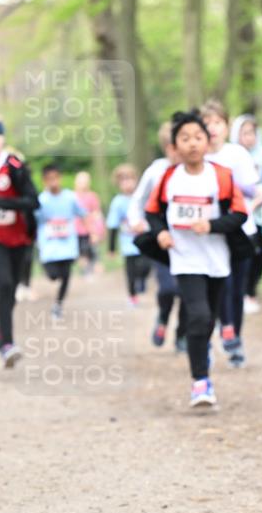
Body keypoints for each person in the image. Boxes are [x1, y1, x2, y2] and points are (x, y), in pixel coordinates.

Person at [143, 110, 249, 408]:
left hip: (217, 259)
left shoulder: (222, 176)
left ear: (207, 141)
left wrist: (212, 226)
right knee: (199, 316)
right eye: (184, 138)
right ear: (174, 146)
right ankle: (200, 383)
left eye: (197, 137)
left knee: (208, 318)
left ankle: (202, 361)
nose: (192, 144)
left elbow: (240, 214)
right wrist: (161, 232)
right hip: (184, 258)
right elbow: (152, 212)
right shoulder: (168, 177)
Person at [201, 100, 260, 368]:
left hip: (241, 230)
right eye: (208, 123)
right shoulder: (196, 156)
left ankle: (234, 337)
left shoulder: (237, 154)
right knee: (215, 288)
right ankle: (212, 338)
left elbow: (254, 190)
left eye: (217, 122)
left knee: (236, 288)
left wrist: (229, 184)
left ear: (226, 126)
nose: (212, 128)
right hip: (210, 234)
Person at [127, 123, 188, 350]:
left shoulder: (195, 170)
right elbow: (137, 199)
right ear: (166, 148)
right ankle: (163, 318)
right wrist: (136, 221)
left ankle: (182, 334)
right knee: (168, 289)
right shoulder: (155, 171)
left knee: (187, 291)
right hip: (161, 239)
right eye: (173, 147)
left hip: (189, 241)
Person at [0, 116, 39, 365]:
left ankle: (0, 332)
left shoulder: (14, 166)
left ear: (3, 138)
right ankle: (7, 343)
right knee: (4, 284)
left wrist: (5, 203)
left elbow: (33, 201)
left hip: (19, 238)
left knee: (12, 290)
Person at [230, 113, 262, 315]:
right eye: (244, 133)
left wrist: (258, 200)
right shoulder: (230, 156)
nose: (249, 137)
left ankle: (251, 292)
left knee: (259, 257)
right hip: (239, 215)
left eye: (252, 133)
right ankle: (239, 292)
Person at [36, 163, 87, 318]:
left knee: (65, 276)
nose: (53, 182)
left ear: (60, 178)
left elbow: (82, 214)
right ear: (44, 181)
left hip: (67, 246)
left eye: (55, 178)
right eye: (49, 179)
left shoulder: (70, 197)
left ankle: (58, 304)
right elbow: (34, 220)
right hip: (49, 247)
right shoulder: (41, 200)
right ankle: (47, 269)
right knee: (53, 275)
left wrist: (91, 232)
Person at [107, 164, 151, 306]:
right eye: (123, 181)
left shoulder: (142, 198)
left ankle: (142, 280)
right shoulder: (118, 202)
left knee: (146, 266)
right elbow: (113, 225)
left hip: (144, 240)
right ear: (119, 184)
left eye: (130, 179)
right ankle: (132, 296)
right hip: (128, 244)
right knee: (131, 271)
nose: (127, 184)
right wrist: (112, 249)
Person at [74, 171, 105, 278]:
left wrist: (98, 230)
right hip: (77, 230)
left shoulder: (92, 196)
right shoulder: (72, 196)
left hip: (91, 230)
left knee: (94, 252)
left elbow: (97, 213)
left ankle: (96, 273)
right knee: (82, 253)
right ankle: (85, 272)